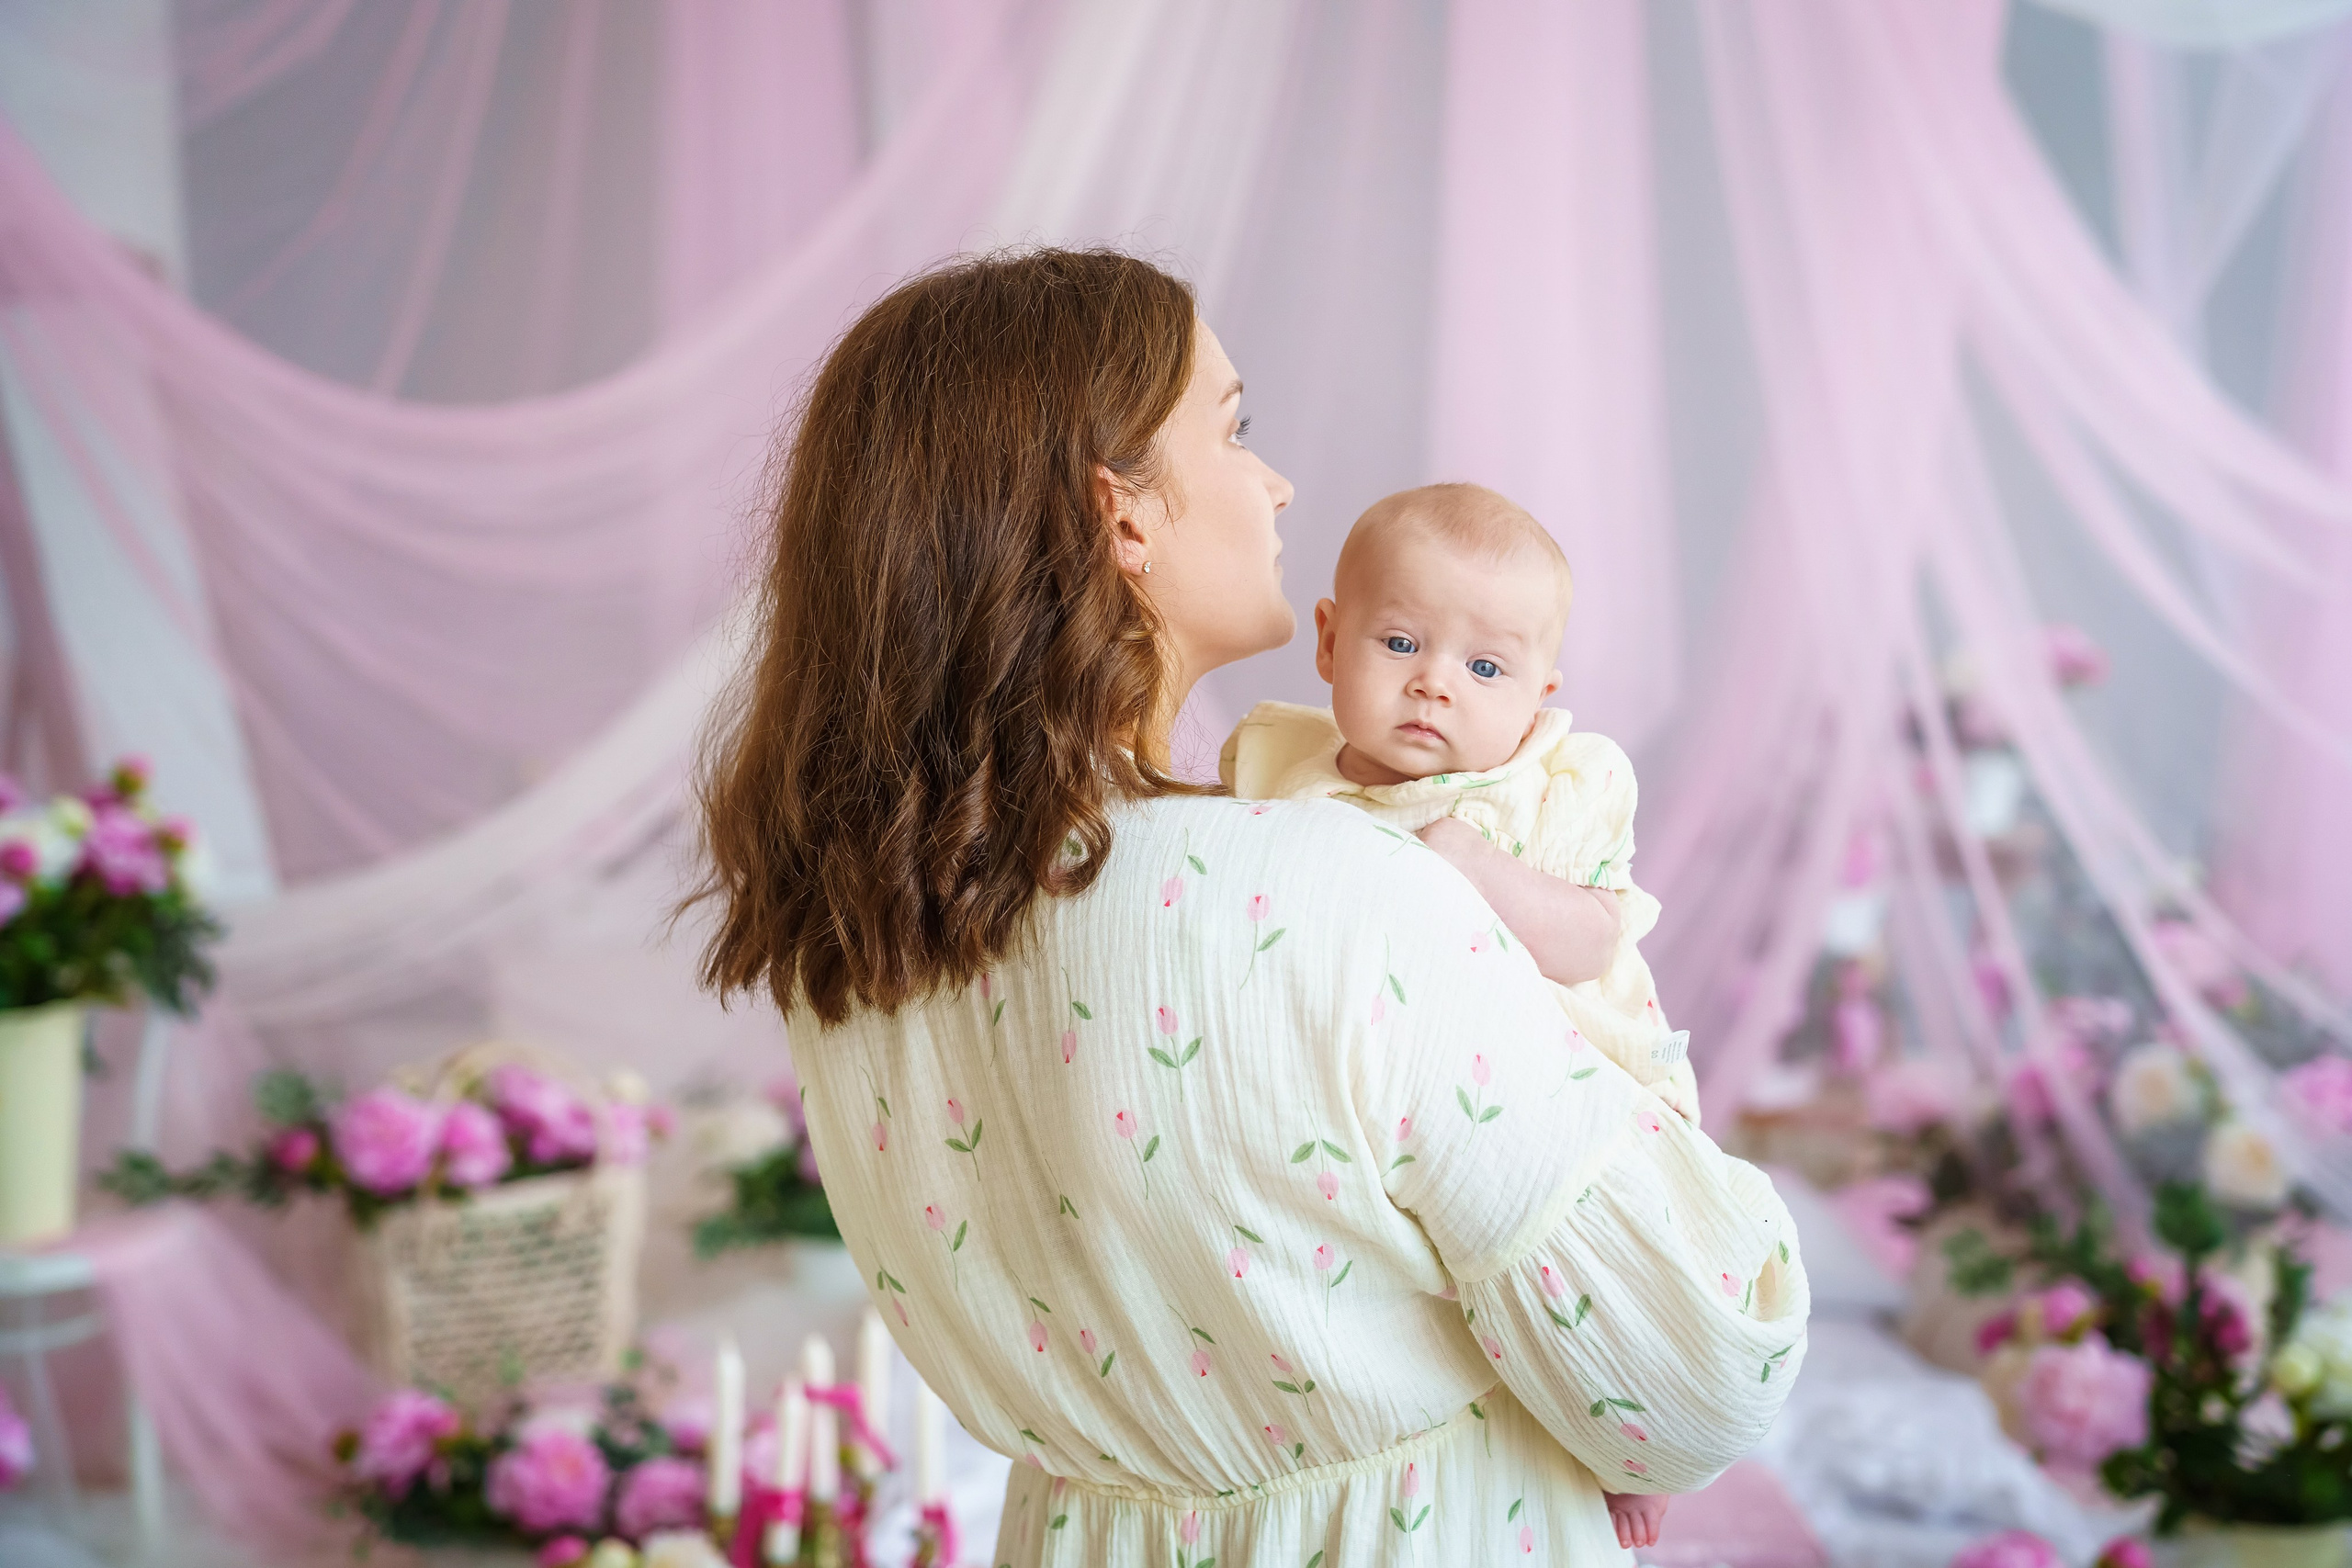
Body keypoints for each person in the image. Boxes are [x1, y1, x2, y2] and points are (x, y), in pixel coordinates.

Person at [692, 248, 1807, 1563]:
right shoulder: (1350, 894)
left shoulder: (865, 946)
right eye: (1233, 429)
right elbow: (1703, 1374)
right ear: (1121, 515)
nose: (1274, 483)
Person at [1219, 483, 1701, 1129]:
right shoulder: (1278, 760)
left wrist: (1472, 860)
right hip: (1370, 1073)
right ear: (1330, 643)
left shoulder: (1552, 783)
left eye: (1484, 668)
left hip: (1577, 1080)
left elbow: (1593, 946)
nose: (1434, 684)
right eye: (1400, 644)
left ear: (1536, 698)